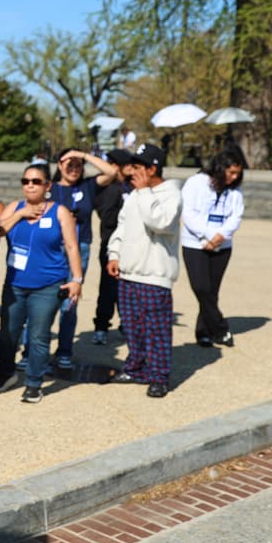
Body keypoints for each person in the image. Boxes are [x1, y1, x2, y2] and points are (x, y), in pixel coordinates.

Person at [0, 163, 84, 404]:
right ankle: (6, 374)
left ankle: (34, 383)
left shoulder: (59, 212)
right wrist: (19, 215)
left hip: (48, 285)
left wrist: (77, 279)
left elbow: (72, 246)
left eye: (36, 181)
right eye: (25, 181)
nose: (30, 186)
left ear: (48, 186)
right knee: (8, 333)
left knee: (38, 335)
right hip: (15, 283)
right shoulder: (14, 207)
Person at [107, 143, 183, 398]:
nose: (132, 171)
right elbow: (122, 226)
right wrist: (114, 254)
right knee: (133, 328)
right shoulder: (134, 195)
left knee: (157, 330)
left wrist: (144, 192)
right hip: (128, 274)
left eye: (138, 166)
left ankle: (159, 377)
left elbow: (160, 223)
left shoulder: (171, 194)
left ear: (152, 169)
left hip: (154, 275)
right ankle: (136, 369)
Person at [47, 148, 120, 370]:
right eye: (69, 165)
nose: (74, 169)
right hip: (53, 247)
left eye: (78, 165)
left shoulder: (87, 186)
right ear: (59, 165)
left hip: (80, 247)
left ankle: (64, 351)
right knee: (45, 298)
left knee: (70, 301)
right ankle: (32, 351)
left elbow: (111, 172)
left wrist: (84, 155)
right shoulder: (50, 188)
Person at [180, 148, 246, 348]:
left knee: (212, 290)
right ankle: (220, 327)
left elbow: (236, 215)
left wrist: (220, 236)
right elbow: (188, 213)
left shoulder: (235, 190)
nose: (234, 178)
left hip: (222, 244)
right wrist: (208, 235)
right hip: (195, 243)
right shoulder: (196, 183)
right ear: (220, 168)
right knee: (201, 288)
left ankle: (204, 332)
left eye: (237, 174)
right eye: (231, 172)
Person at [91, 149, 132, 344]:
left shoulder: (129, 186)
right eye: (128, 165)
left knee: (128, 288)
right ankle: (101, 326)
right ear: (116, 166)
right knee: (109, 288)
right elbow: (107, 217)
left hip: (131, 246)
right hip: (112, 244)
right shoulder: (110, 189)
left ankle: (127, 323)